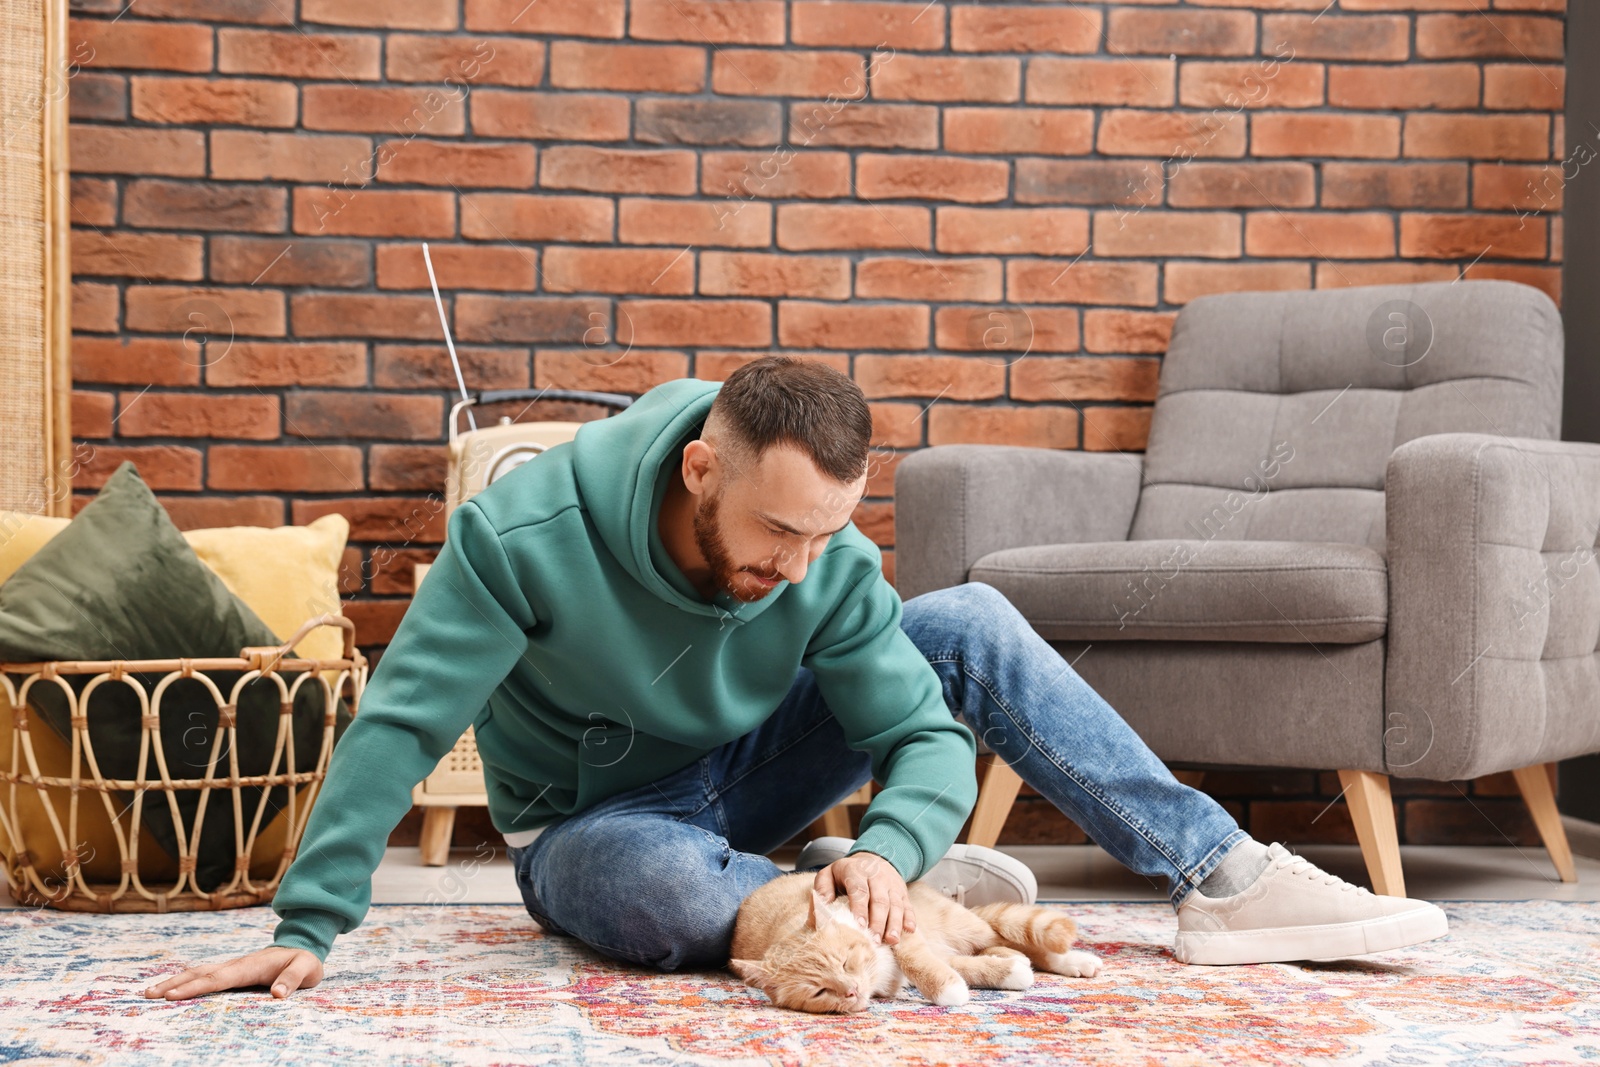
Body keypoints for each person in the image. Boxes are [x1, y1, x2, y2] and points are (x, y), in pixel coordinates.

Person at [143, 356, 1446, 1002]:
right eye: (779, 533)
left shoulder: (817, 556)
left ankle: (1221, 877)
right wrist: (305, 922)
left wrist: (892, 835)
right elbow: (406, 717)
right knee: (649, 892)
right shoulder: (521, 538)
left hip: (758, 776)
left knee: (970, 620)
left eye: (826, 535)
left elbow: (923, 736)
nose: (801, 564)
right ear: (702, 472)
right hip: (598, 825)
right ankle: (842, 904)